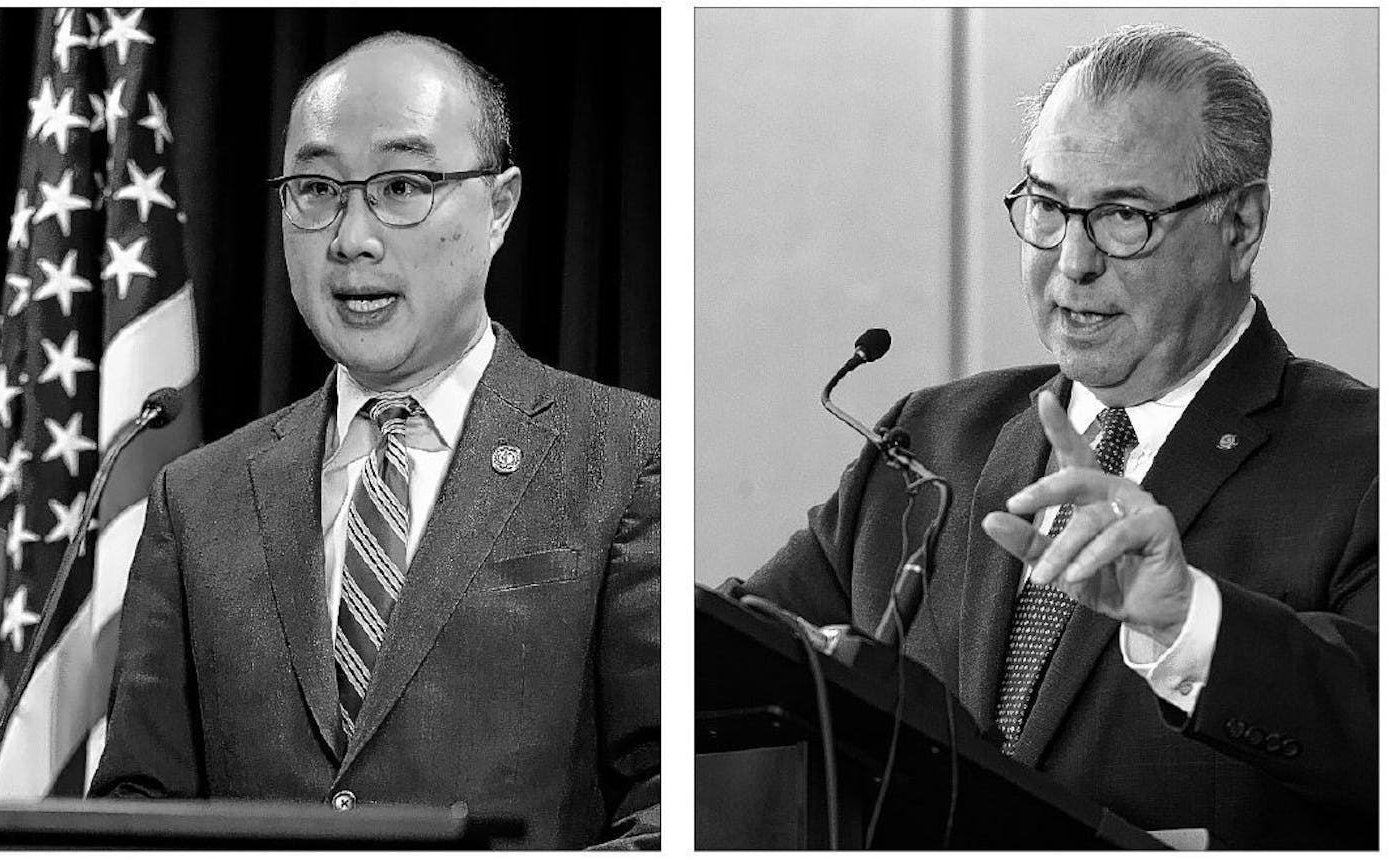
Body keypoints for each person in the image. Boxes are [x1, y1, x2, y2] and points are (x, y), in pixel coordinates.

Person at [737, 24, 1374, 848]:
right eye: (1046, 205)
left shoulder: (1364, 461)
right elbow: (732, 659)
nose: (1071, 261)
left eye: (1121, 216)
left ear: (1241, 226)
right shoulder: (927, 439)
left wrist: (1188, 619)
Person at [89, 33, 660, 849]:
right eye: (316, 189)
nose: (351, 236)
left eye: (402, 185)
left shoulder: (626, 455)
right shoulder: (198, 495)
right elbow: (140, 807)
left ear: (499, 207)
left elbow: (669, 796)